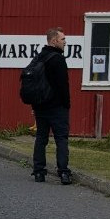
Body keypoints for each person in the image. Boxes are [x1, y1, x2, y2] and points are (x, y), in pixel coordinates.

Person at [32, 27, 72, 185]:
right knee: (61, 139)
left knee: (41, 138)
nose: (65, 42)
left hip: (40, 107)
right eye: (63, 39)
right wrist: (66, 104)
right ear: (54, 41)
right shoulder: (58, 59)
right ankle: (63, 173)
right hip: (57, 107)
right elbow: (63, 85)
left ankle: (39, 172)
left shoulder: (39, 57)